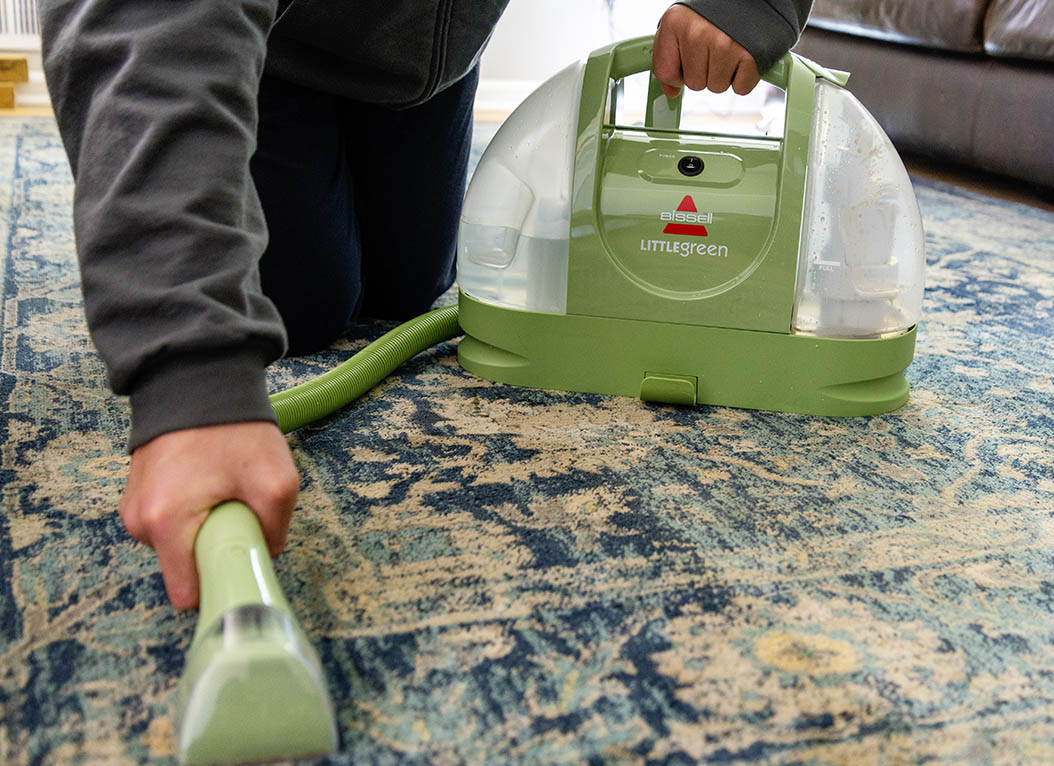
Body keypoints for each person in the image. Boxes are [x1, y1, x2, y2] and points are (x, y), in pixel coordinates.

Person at [39, 0, 814, 610]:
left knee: (411, 285)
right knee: (308, 305)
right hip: (260, 39)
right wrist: (190, 370)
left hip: (426, 61)